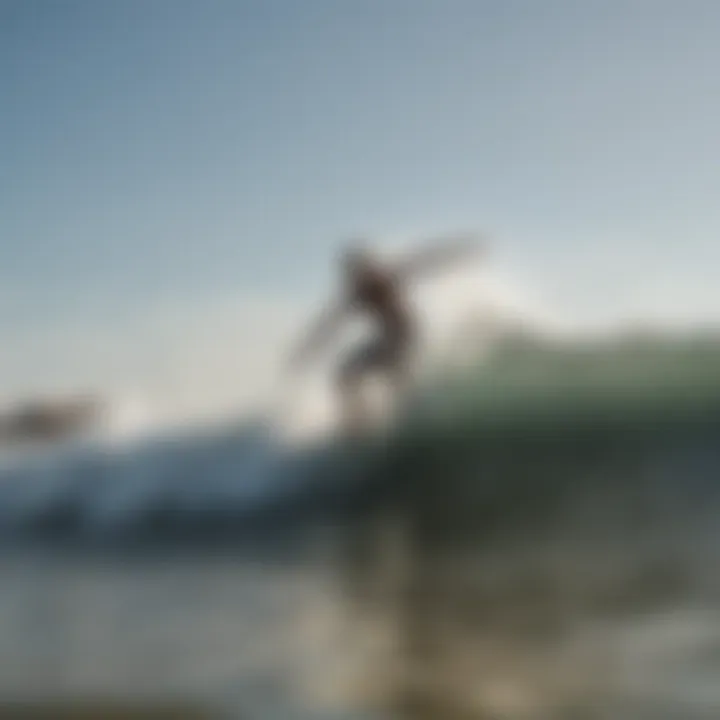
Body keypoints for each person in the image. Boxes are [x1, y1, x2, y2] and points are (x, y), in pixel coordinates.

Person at [287, 233, 486, 432]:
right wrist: (304, 352)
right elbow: (328, 325)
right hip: (385, 341)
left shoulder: (389, 275)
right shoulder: (357, 293)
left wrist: (462, 250)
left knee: (398, 381)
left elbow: (430, 259)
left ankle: (418, 417)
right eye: (354, 274)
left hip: (406, 336)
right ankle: (358, 425)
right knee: (346, 375)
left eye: (362, 271)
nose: (359, 278)